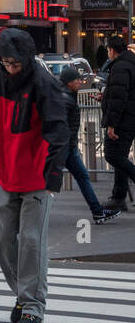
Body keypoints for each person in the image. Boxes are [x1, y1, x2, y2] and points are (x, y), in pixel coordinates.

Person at [0, 29, 68, 323]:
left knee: (32, 240)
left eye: (14, 63)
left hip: (36, 173)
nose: (9, 68)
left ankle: (32, 304)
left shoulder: (43, 83)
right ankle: (24, 295)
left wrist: (52, 176)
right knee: (2, 240)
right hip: (8, 171)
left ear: (25, 59)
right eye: (4, 62)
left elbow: (59, 130)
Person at [60, 66, 108, 223]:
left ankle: (98, 211)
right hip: (65, 147)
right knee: (47, 182)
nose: (80, 82)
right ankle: (97, 211)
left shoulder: (67, 96)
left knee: (82, 177)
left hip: (67, 146)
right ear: (68, 82)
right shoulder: (66, 100)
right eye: (77, 80)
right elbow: (62, 126)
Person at [99, 34, 135, 218]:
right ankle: (119, 197)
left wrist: (111, 125)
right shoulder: (130, 63)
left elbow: (119, 98)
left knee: (112, 155)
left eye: (107, 50)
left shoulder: (120, 67)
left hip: (123, 120)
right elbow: (122, 94)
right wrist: (104, 98)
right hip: (129, 117)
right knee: (119, 156)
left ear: (112, 50)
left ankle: (119, 197)